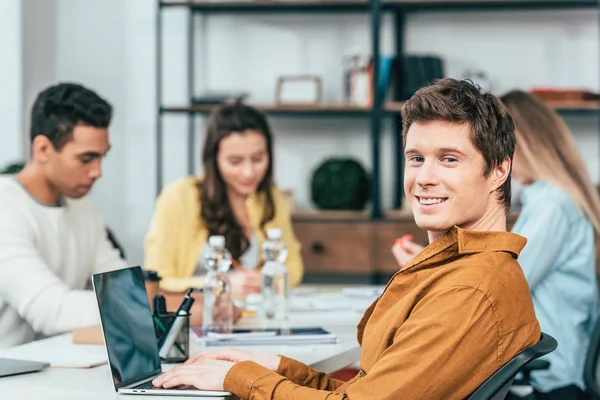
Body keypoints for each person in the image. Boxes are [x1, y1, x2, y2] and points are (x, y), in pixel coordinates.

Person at [150, 78, 541, 399]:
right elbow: (367, 390)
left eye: (449, 159)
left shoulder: (470, 288)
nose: (423, 177)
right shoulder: (462, 267)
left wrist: (238, 379)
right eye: (416, 158)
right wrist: (270, 366)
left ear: (498, 171)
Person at [395, 89, 600, 400]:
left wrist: (430, 264)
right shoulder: (545, 199)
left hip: (548, 380)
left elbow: (504, 278)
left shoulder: (553, 204)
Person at [0, 82, 128, 348]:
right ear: (43, 149)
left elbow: (124, 285)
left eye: (102, 158)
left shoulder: (84, 210)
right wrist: (137, 304)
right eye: (86, 159)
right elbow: (51, 311)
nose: (97, 172)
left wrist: (137, 299)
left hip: (53, 369)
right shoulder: (6, 208)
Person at [144, 102, 304, 298]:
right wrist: (219, 284)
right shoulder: (178, 197)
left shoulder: (271, 196)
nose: (249, 172)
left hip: (252, 316)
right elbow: (156, 280)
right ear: (214, 159)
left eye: (258, 159)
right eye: (235, 162)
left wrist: (267, 279)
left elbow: (294, 268)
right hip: (196, 319)